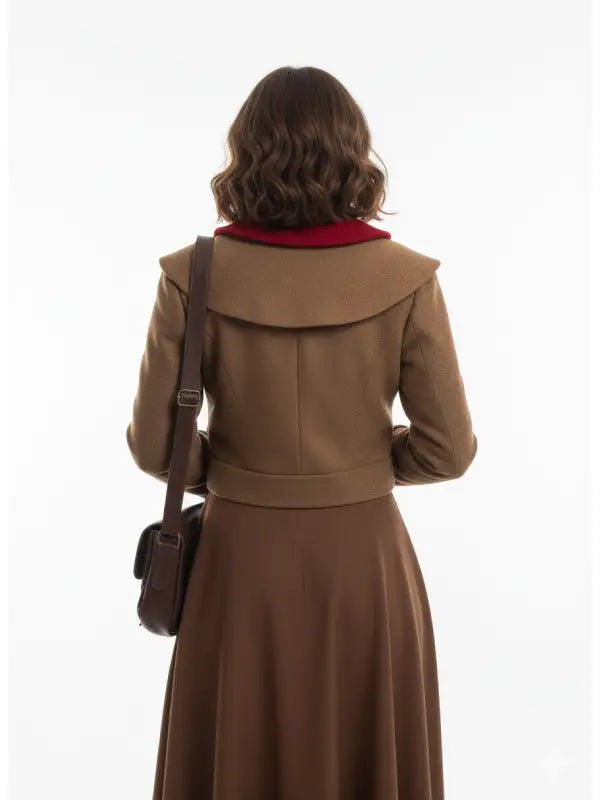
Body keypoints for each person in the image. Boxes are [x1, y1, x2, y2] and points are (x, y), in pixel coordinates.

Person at [126, 65, 477, 800]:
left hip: (239, 559)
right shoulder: (407, 278)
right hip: (364, 561)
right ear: (354, 153)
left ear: (244, 153)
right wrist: (359, 466)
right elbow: (448, 450)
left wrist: (235, 472)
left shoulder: (192, 275)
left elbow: (156, 445)